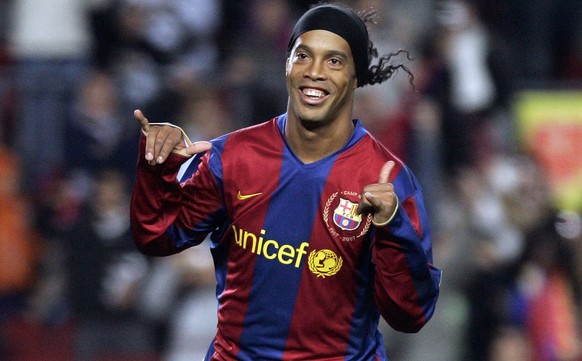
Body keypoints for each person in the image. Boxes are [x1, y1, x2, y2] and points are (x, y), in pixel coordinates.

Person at [130, 3, 441, 360]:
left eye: (334, 61)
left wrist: (392, 226)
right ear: (287, 64)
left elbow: (412, 314)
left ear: (357, 76)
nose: (315, 72)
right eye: (303, 55)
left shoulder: (388, 178)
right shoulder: (234, 155)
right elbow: (157, 236)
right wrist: (159, 169)